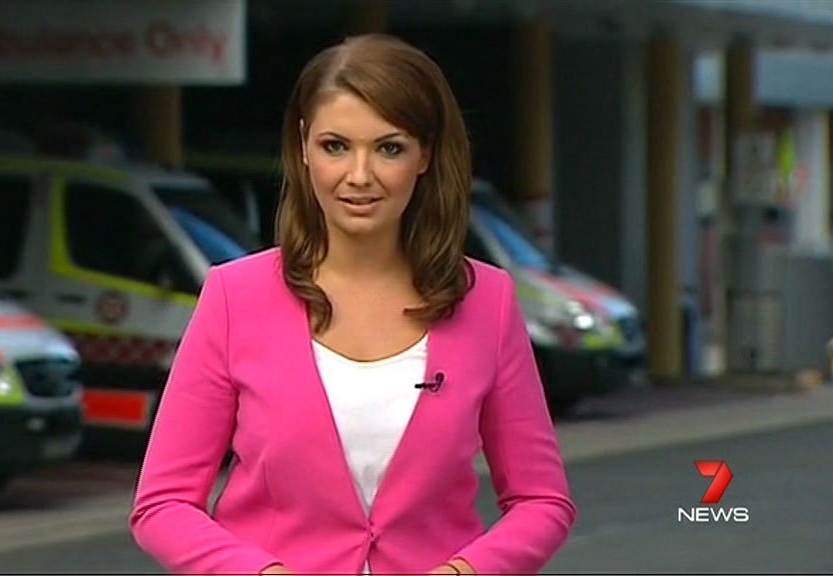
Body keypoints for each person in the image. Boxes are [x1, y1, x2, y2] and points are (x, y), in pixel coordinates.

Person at [130, 33, 576, 575]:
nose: (359, 176)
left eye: (389, 148)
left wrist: (465, 572)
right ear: (303, 147)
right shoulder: (234, 297)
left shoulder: (488, 302)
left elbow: (542, 501)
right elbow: (163, 504)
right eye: (335, 146)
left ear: (425, 154)